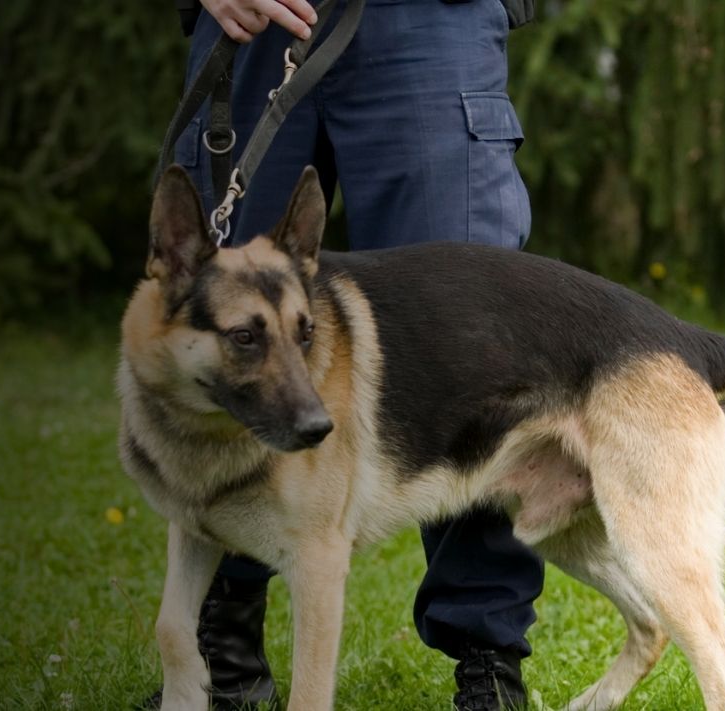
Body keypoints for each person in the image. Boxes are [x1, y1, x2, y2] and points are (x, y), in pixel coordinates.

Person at [148, 0, 540, 709]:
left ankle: (488, 659)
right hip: (252, 23)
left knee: (472, 341)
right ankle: (223, 663)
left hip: (427, 24)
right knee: (234, 332)